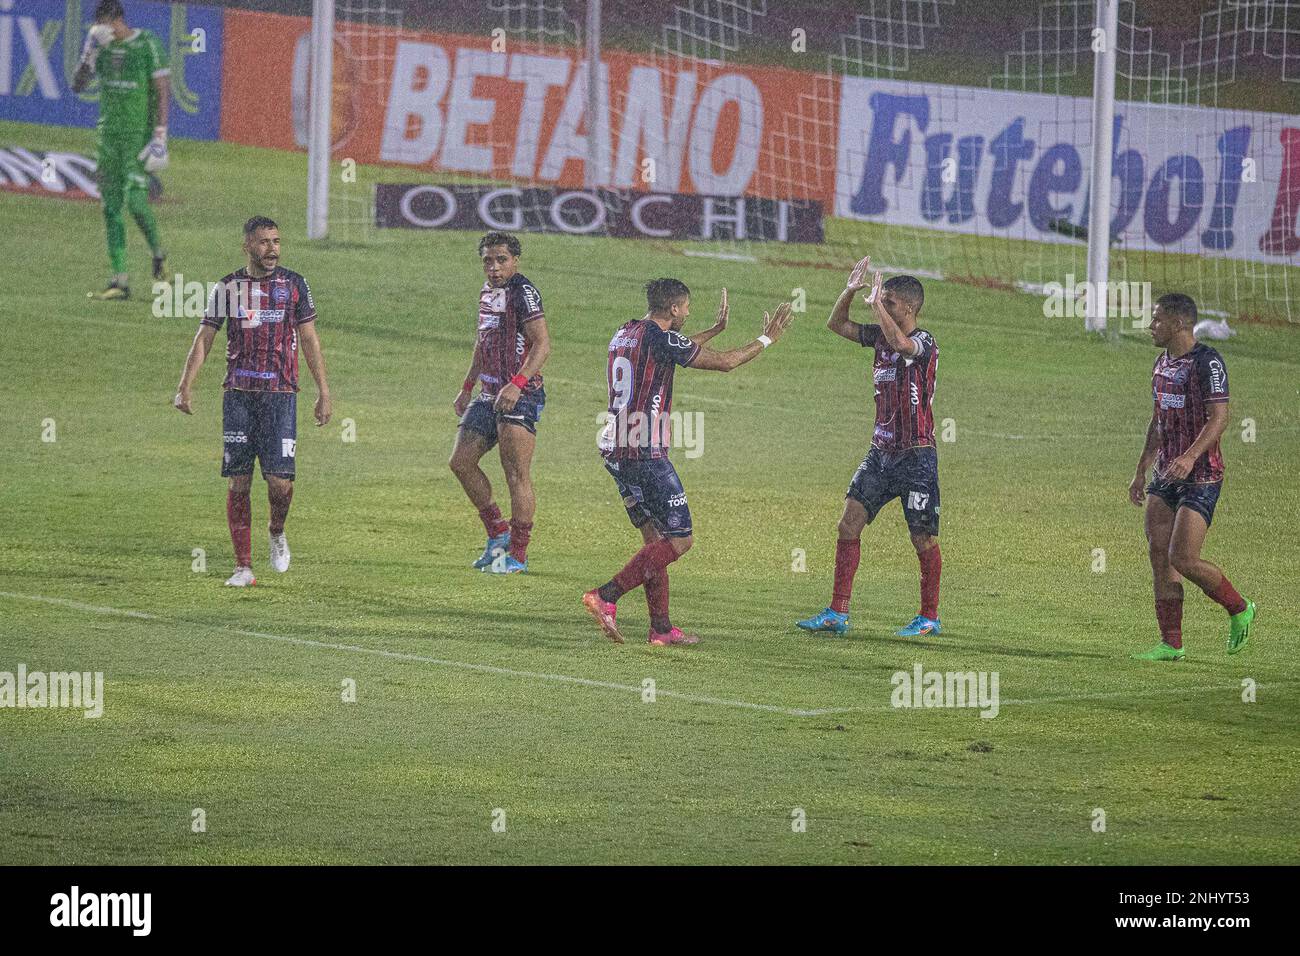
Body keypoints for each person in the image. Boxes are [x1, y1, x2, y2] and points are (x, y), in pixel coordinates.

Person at [582, 280, 793, 645]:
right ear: (675, 310)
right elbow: (725, 363)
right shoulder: (661, 339)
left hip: (615, 446)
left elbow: (673, 350)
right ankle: (606, 596)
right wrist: (767, 339)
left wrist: (714, 330)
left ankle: (660, 629)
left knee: (655, 541)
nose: (689, 313)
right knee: (680, 540)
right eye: (687, 308)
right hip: (644, 450)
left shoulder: (627, 332)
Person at [173, 217, 332, 586]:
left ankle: (276, 529)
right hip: (239, 397)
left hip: (281, 397)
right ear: (247, 245)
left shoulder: (295, 285)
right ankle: (243, 567)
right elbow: (204, 337)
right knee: (239, 482)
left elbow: (309, 339)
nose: (272, 249)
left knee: (280, 484)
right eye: (263, 242)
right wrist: (185, 385)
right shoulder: (228, 287)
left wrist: (324, 391)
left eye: (276, 241)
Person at [796, 257, 942, 637]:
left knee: (921, 536)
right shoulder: (878, 336)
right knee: (848, 524)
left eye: (890, 302)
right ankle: (836, 613)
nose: (883, 306)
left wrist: (876, 305)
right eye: (884, 300)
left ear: (909, 308)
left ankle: (929, 617)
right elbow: (836, 324)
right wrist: (851, 290)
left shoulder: (924, 343)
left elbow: (900, 342)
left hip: (916, 456)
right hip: (881, 453)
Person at [1128, 293, 1254, 661]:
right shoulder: (1160, 364)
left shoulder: (1208, 362)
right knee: (1158, 554)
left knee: (1183, 557)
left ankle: (1239, 608)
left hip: (1201, 474)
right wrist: (1140, 469)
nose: (1151, 327)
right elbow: (1157, 421)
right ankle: (1171, 643)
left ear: (1180, 323)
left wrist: (1190, 456)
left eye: (1157, 320)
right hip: (1166, 472)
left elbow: (1220, 418)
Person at [450, 233, 552, 574]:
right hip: (489, 393)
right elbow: (483, 342)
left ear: (515, 261)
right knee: (461, 462)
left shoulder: (523, 293)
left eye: (501, 260)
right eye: (488, 261)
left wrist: (517, 384)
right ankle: (497, 533)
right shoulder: (487, 292)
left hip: (520, 395)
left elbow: (542, 345)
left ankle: (518, 555)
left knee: (516, 474)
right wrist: (467, 387)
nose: (494, 267)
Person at [73, 0, 170, 300]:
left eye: (104, 25)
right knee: (110, 208)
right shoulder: (99, 48)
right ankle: (120, 280)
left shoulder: (147, 44)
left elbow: (163, 89)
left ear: (116, 20)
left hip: (138, 140)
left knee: (137, 205)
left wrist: (160, 134)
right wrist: (90, 54)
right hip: (108, 140)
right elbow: (77, 85)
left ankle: (158, 253)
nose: (101, 31)